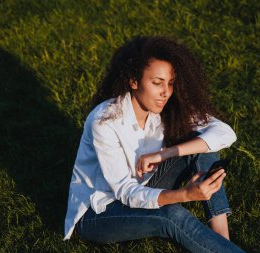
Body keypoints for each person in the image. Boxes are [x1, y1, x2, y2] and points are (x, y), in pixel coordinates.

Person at [64, 35, 245, 253]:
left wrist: (165, 154)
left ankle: (222, 241)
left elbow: (225, 133)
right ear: (133, 81)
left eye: (170, 83)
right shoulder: (104, 121)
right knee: (170, 215)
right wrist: (185, 195)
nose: (166, 92)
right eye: (157, 83)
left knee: (204, 146)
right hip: (99, 213)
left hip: (144, 185)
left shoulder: (165, 106)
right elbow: (125, 191)